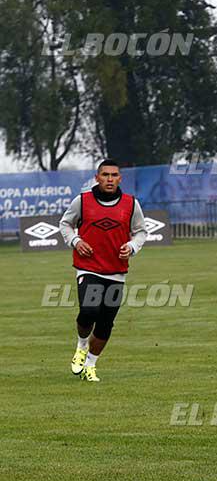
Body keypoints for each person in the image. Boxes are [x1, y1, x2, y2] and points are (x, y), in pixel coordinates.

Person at [59, 159, 147, 382]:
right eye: (105, 175)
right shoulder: (82, 201)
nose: (110, 179)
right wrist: (76, 241)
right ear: (96, 178)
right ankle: (81, 347)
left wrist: (133, 246)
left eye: (114, 175)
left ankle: (90, 365)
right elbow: (65, 224)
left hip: (117, 271)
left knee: (106, 322)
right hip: (88, 267)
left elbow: (140, 232)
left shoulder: (131, 204)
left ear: (120, 178)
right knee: (89, 310)